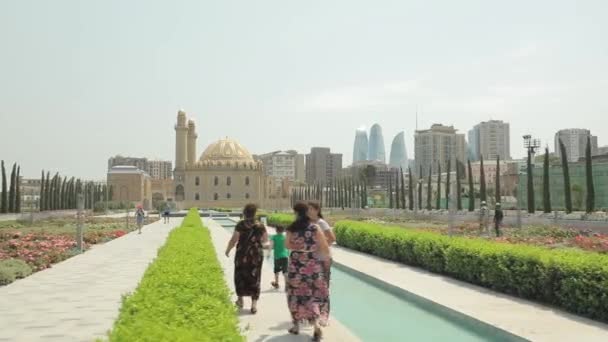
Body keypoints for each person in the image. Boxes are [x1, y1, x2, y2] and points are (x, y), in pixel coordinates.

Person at [286, 202, 331, 341]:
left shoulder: (291, 228)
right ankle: (316, 327)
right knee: (314, 294)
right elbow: (324, 248)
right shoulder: (315, 228)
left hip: (296, 265)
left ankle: (296, 326)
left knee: (295, 295)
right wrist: (326, 263)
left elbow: (287, 245)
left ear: (296, 214)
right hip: (312, 265)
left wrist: (299, 246)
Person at [225, 204, 268, 314]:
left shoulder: (241, 225)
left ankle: (240, 300)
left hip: (242, 255)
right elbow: (265, 240)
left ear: (245, 213)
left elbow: (234, 239)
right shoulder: (260, 225)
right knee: (255, 277)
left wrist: (228, 250)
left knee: (240, 275)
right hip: (256, 255)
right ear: (255, 213)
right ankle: (253, 305)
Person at [308, 201, 334, 320]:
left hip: (323, 259)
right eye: (307, 209)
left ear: (317, 210)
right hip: (311, 260)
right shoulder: (308, 223)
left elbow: (332, 238)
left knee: (323, 288)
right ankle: (315, 313)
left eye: (311, 209)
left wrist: (321, 247)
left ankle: (324, 315)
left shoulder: (321, 223)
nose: (308, 211)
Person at [269, 225, 288, 290]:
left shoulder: (274, 237)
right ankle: (286, 285)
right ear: (283, 231)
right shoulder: (285, 237)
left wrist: (268, 253)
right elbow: (288, 246)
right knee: (285, 271)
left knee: (276, 270)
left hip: (277, 256)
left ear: (276, 230)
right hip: (285, 256)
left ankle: (277, 283)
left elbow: (271, 245)